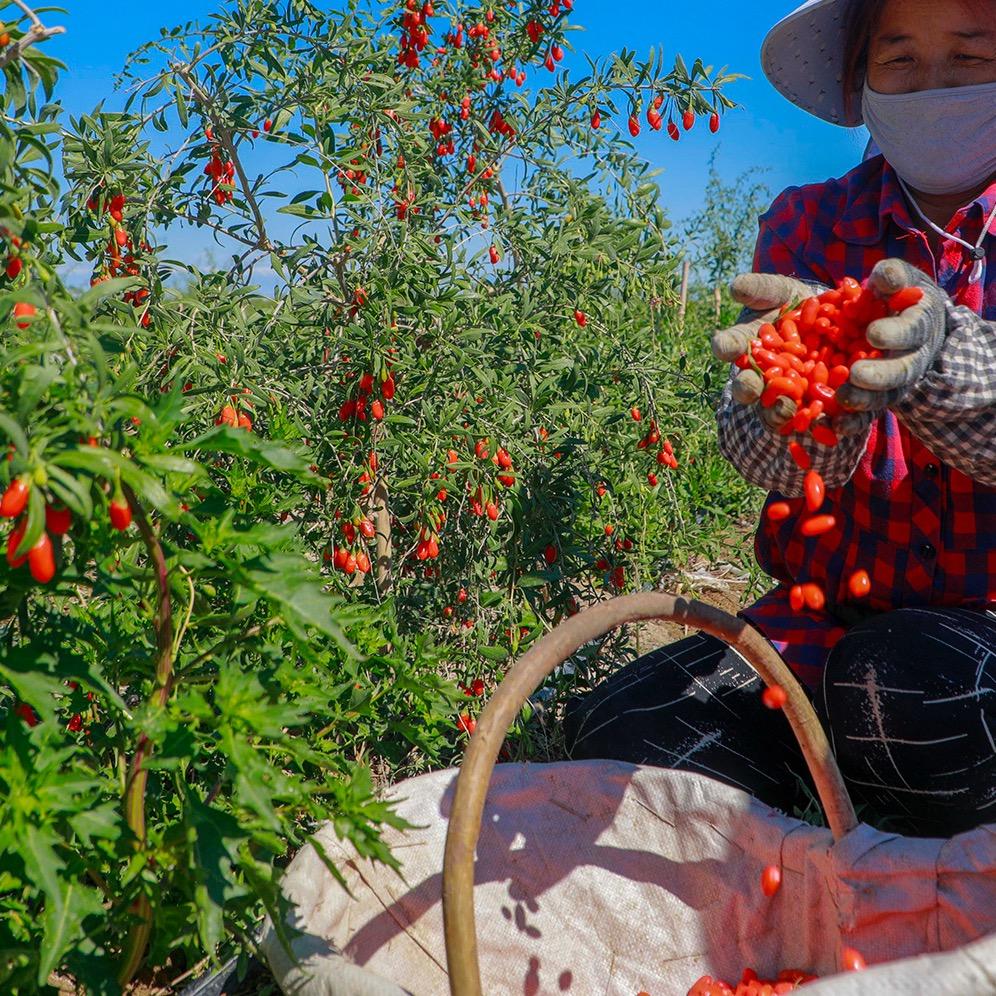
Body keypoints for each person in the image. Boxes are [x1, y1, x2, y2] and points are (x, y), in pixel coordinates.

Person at [564, 0, 996, 838]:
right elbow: (768, 457)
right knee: (625, 731)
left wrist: (937, 358)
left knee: (932, 699)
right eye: (899, 59)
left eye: (971, 56)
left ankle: (867, 794)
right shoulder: (812, 223)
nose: (931, 84)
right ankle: (850, 800)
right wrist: (805, 405)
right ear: (859, 81)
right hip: (823, 626)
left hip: (977, 645)